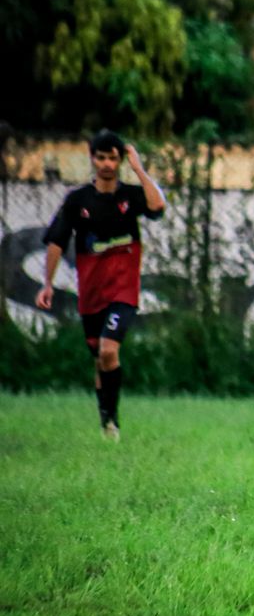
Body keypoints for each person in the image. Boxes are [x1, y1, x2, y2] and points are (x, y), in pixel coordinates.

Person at [36, 130, 166, 440]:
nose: (107, 163)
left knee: (109, 351)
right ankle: (107, 420)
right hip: (91, 293)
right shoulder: (78, 200)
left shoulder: (130, 196)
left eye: (113, 158)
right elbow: (56, 241)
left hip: (123, 291)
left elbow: (158, 208)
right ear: (93, 159)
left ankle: (112, 423)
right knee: (99, 359)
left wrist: (139, 169)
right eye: (101, 157)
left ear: (120, 161)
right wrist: (47, 283)